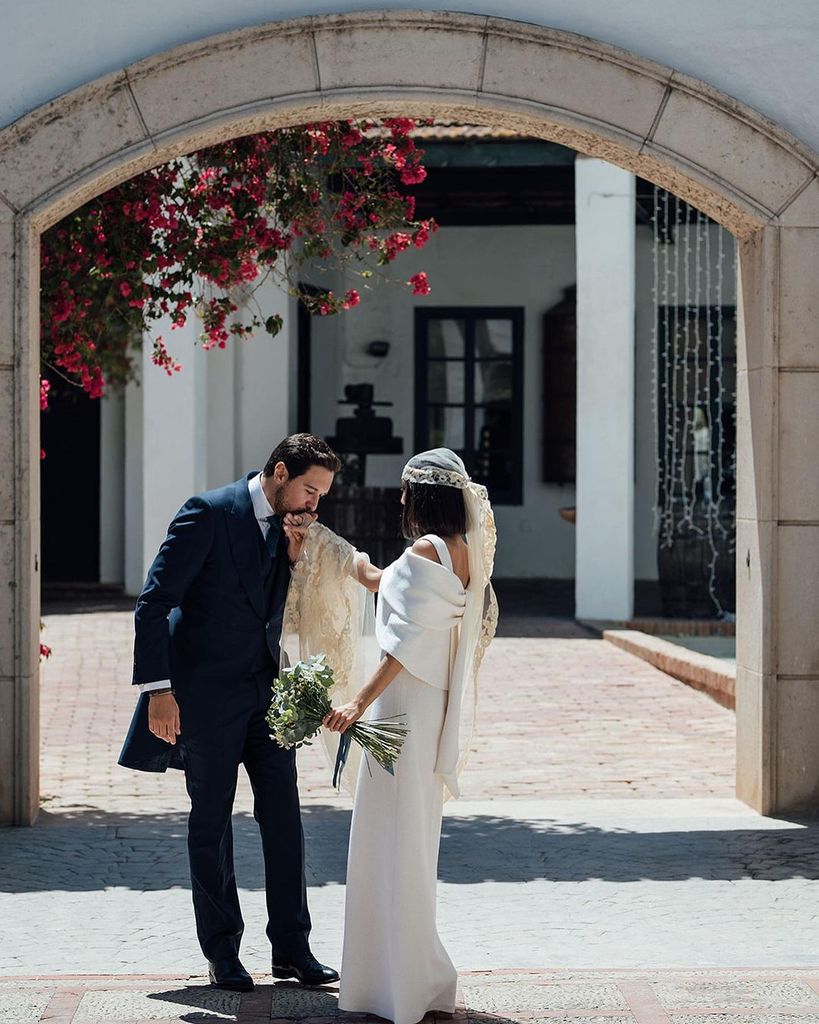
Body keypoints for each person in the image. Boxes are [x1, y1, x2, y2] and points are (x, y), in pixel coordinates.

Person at [119, 433, 346, 992]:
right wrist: (159, 691)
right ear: (278, 472)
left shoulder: (294, 529)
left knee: (286, 821)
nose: (315, 504)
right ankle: (222, 952)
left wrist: (294, 560)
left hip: (267, 700)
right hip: (206, 699)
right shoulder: (208, 513)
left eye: (322, 494)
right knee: (211, 821)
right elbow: (154, 603)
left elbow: (278, 612)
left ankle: (292, 949)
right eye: (310, 489)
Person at [324, 448, 498, 1024]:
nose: (399, 501)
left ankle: (390, 988)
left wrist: (355, 702)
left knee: (387, 840)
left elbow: (400, 644)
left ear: (422, 497)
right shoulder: (464, 553)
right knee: (411, 843)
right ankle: (411, 981)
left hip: (399, 708)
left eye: (405, 491)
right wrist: (347, 560)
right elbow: (386, 586)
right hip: (429, 708)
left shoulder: (426, 549)